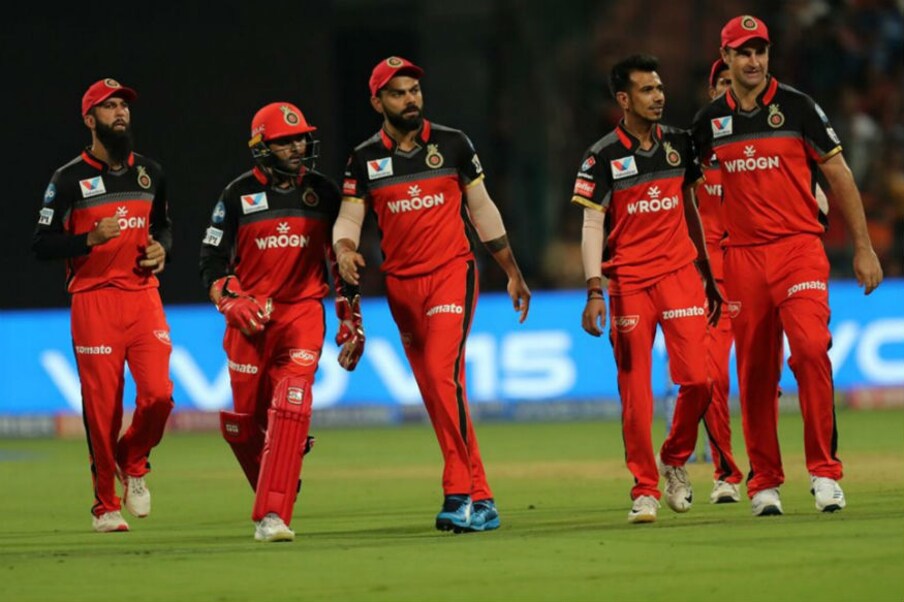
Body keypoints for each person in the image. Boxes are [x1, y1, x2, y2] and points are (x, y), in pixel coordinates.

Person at [691, 15, 884, 516]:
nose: (754, 61)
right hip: (742, 257)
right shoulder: (709, 122)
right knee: (756, 371)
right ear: (726, 58)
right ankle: (765, 481)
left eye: (760, 51)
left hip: (798, 250)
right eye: (743, 52)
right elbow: (680, 186)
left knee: (812, 350)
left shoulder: (798, 107)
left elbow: (839, 174)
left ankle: (825, 472)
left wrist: (863, 247)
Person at [333, 56, 531, 533]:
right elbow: (349, 219)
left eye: (414, 91)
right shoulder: (364, 159)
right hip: (401, 288)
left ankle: (458, 493)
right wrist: (343, 249)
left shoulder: (453, 144)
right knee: (437, 393)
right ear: (377, 102)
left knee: (442, 376)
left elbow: (482, 209)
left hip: (452, 273)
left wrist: (512, 271)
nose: (410, 100)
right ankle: (483, 499)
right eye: (398, 93)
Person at [199, 101, 365, 543]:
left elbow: (340, 259)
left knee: (292, 406)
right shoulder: (237, 195)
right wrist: (229, 300)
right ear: (261, 147)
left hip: (302, 314)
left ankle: (273, 513)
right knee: (243, 425)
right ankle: (283, 464)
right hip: (250, 321)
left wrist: (351, 317)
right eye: (285, 141)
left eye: (301, 139)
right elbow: (211, 259)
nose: (297, 147)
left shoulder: (324, 193)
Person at [572, 54, 722, 524]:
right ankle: (644, 489)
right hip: (629, 283)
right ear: (624, 98)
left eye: (659, 88)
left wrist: (706, 271)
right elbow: (592, 224)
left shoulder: (679, 143)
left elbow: (691, 207)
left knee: (699, 381)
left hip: (679, 275)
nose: (658, 96)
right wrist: (594, 289)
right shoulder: (600, 157)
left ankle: (673, 457)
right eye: (646, 90)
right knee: (636, 396)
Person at [32, 78, 174, 533]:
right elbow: (41, 243)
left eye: (123, 105)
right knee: (102, 409)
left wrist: (163, 250)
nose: (120, 113)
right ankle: (105, 507)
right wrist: (87, 239)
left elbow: (163, 227)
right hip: (93, 300)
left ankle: (132, 458)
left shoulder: (150, 172)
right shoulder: (68, 179)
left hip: (143, 296)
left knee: (159, 396)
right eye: (109, 106)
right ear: (90, 119)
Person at [694, 58, 745, 504]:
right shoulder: (692, 150)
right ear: (712, 92)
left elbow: (812, 196)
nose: (730, 88)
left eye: (735, 81)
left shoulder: (763, 141)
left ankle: (773, 473)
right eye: (722, 82)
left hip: (758, 270)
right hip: (711, 283)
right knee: (712, 378)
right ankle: (726, 473)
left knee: (763, 380)